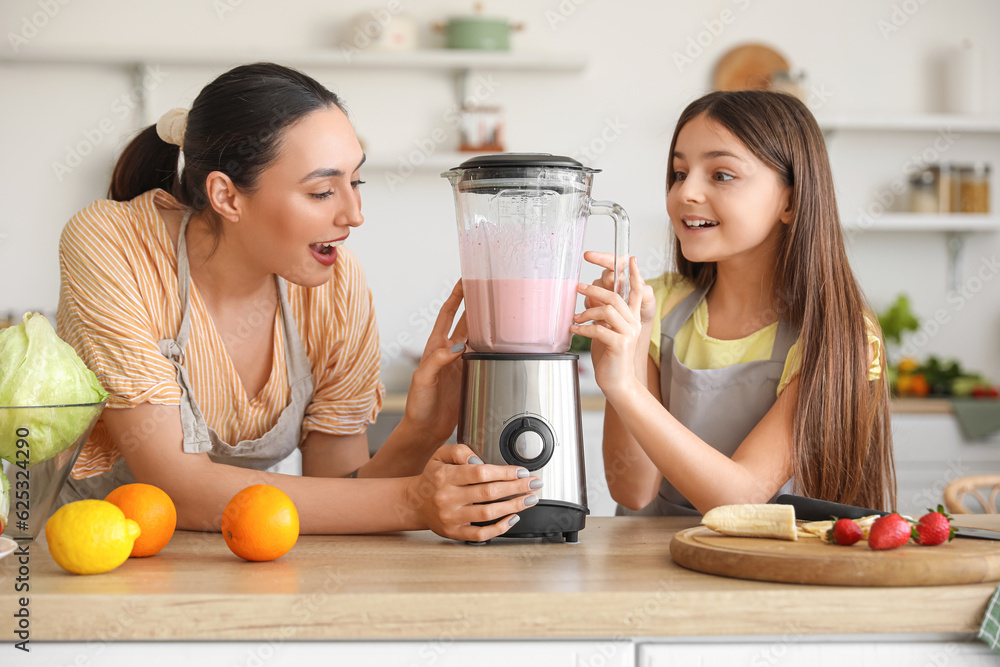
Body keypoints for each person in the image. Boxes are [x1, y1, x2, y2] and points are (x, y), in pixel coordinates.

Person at [56, 62, 541, 541]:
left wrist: (422, 429)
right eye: (323, 191)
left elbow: (337, 497)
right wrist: (414, 501)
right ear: (226, 197)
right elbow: (176, 488)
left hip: (241, 561)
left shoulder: (335, 283)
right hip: (85, 559)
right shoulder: (111, 244)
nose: (354, 214)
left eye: (356, 182)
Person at [572, 90, 895, 516]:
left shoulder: (840, 334)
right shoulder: (657, 305)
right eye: (679, 172)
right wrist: (618, 368)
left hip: (765, 573)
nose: (686, 192)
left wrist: (626, 388)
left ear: (791, 200)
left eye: (721, 175)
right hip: (651, 569)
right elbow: (633, 490)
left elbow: (739, 499)